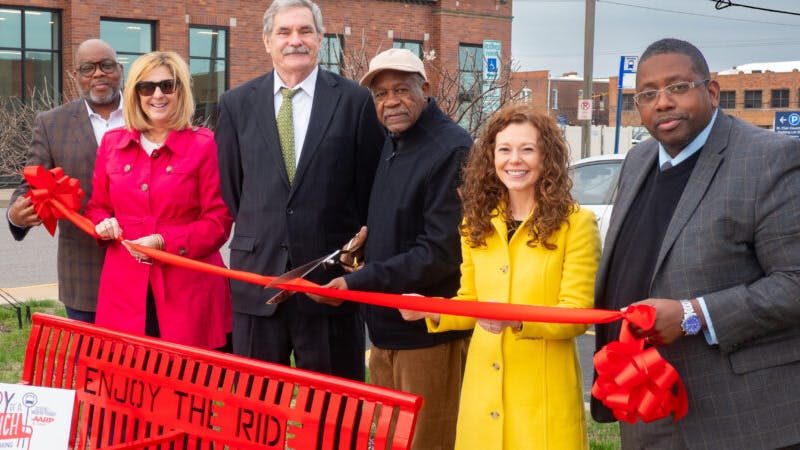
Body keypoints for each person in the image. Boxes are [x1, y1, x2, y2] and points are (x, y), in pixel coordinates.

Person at [591, 38, 800, 449]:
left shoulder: (770, 158)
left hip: (742, 419)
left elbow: (794, 281)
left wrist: (694, 315)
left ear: (712, 91)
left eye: (678, 87)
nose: (663, 102)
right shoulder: (639, 160)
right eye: (648, 94)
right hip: (649, 405)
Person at [402, 103, 601, 449]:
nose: (515, 160)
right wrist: (430, 309)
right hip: (483, 390)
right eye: (504, 149)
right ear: (491, 158)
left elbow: (577, 314)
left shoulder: (577, 224)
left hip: (543, 394)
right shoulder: (474, 224)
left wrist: (515, 321)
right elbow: (470, 302)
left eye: (528, 149)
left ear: (547, 157)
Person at [308, 48, 472, 450]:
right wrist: (359, 253)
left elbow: (440, 252)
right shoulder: (394, 139)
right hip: (383, 332)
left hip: (427, 337)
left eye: (401, 89)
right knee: (388, 441)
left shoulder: (450, 147)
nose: (390, 101)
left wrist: (358, 283)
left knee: (427, 442)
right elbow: (398, 223)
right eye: (380, 95)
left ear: (426, 89)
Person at [215, 0, 383, 380]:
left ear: (321, 39)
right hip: (258, 281)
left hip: (329, 285)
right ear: (266, 41)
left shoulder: (355, 102)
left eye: (305, 31)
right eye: (285, 32)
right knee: (256, 409)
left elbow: (368, 188)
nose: (296, 40)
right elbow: (233, 189)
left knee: (335, 412)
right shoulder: (237, 104)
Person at [84, 51, 232, 349]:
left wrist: (165, 242)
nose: (157, 95)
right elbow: (97, 207)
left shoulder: (205, 145)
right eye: (146, 87)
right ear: (135, 93)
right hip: (125, 287)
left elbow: (218, 222)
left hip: (188, 289)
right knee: (127, 383)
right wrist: (102, 223)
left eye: (168, 85)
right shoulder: (112, 144)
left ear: (181, 91)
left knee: (188, 385)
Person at [7, 39, 124, 323]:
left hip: (148, 272)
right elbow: (32, 184)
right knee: (91, 365)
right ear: (75, 76)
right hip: (84, 278)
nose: (98, 73)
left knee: (145, 364)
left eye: (106, 65)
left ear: (119, 69)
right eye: (87, 68)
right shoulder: (52, 123)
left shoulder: (147, 113)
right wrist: (16, 215)